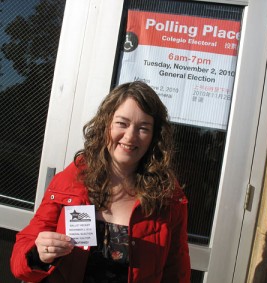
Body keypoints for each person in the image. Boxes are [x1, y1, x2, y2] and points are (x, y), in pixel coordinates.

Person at [10, 81, 191, 283]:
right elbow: (20, 260)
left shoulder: (168, 199)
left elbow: (177, 274)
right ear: (106, 124)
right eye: (122, 123)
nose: (130, 137)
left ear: (154, 136)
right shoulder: (72, 181)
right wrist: (39, 255)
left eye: (143, 128)